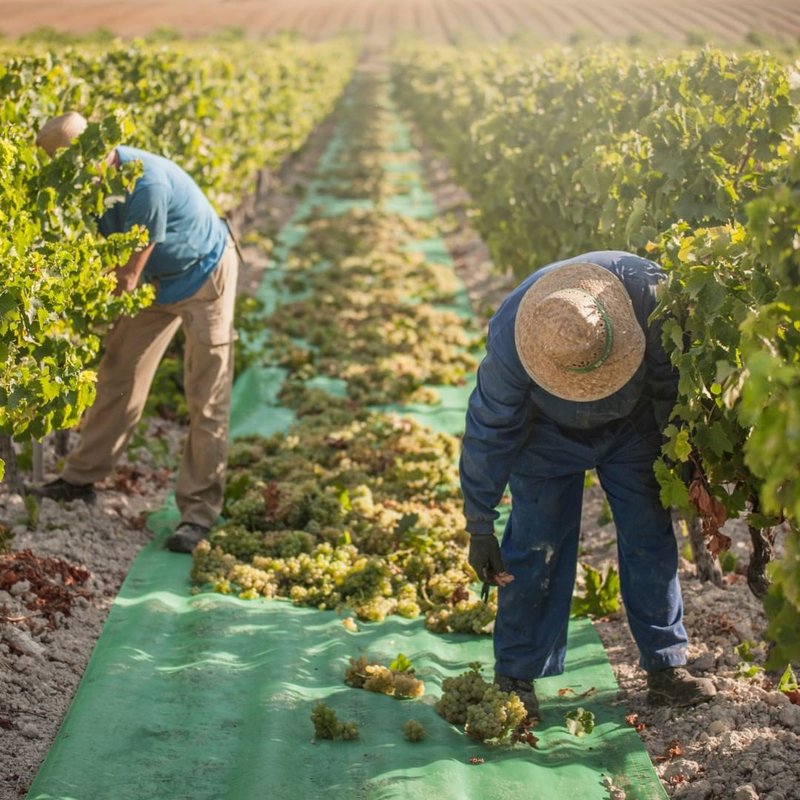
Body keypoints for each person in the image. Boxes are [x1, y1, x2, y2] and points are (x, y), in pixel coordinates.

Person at [461, 251, 716, 722]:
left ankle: (665, 668)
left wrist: (681, 456)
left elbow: (669, 383)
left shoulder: (648, 294)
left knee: (649, 536)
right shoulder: (514, 337)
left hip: (632, 427)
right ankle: (516, 675)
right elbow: (489, 428)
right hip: (545, 435)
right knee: (536, 544)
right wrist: (479, 523)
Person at [33, 112, 239, 554]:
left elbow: (125, 277)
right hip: (156, 283)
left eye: (66, 166)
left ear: (93, 154)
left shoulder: (145, 186)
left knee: (206, 394)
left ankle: (199, 515)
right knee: (118, 368)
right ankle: (81, 479)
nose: (62, 176)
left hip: (205, 275)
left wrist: (62, 301)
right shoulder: (88, 185)